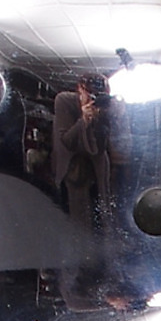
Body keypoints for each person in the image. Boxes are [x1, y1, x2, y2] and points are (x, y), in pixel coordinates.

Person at [52, 75, 113, 225]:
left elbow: (103, 146)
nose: (94, 98)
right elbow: (67, 141)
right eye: (90, 93)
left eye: (99, 95)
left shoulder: (104, 106)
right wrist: (84, 120)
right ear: (80, 88)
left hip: (98, 170)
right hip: (73, 169)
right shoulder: (65, 100)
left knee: (102, 214)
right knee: (77, 216)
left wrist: (102, 117)